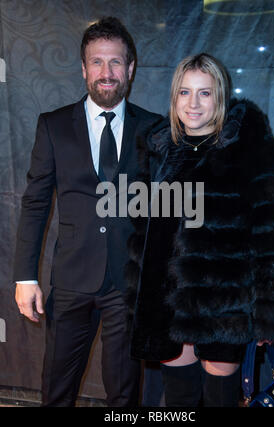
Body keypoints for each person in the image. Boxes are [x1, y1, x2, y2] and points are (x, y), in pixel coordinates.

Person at [126, 53, 274, 407]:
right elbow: (144, 235)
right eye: (185, 92)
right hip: (165, 302)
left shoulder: (248, 149)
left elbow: (269, 240)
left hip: (224, 306)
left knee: (221, 399)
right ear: (174, 97)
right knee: (178, 400)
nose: (193, 104)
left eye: (204, 93)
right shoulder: (159, 149)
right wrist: (138, 295)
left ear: (220, 96)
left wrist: (268, 316)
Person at [13, 16, 162, 407]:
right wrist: (25, 277)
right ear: (83, 69)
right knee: (56, 390)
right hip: (71, 281)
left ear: (131, 69)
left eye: (116, 62)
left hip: (127, 286)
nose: (106, 72)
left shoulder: (155, 129)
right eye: (97, 62)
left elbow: (166, 212)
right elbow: (35, 203)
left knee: (125, 395)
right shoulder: (54, 126)